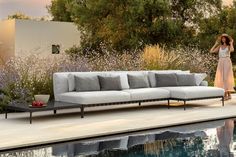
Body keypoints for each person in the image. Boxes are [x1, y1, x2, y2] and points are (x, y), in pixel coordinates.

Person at [210, 34, 235, 100]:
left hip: (227, 61)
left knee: (226, 78)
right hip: (220, 62)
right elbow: (211, 51)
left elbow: (232, 50)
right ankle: (229, 95)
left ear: (226, 39)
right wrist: (215, 44)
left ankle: (225, 95)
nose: (223, 39)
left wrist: (231, 43)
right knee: (222, 77)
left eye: (224, 38)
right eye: (222, 38)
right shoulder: (220, 46)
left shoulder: (228, 46)